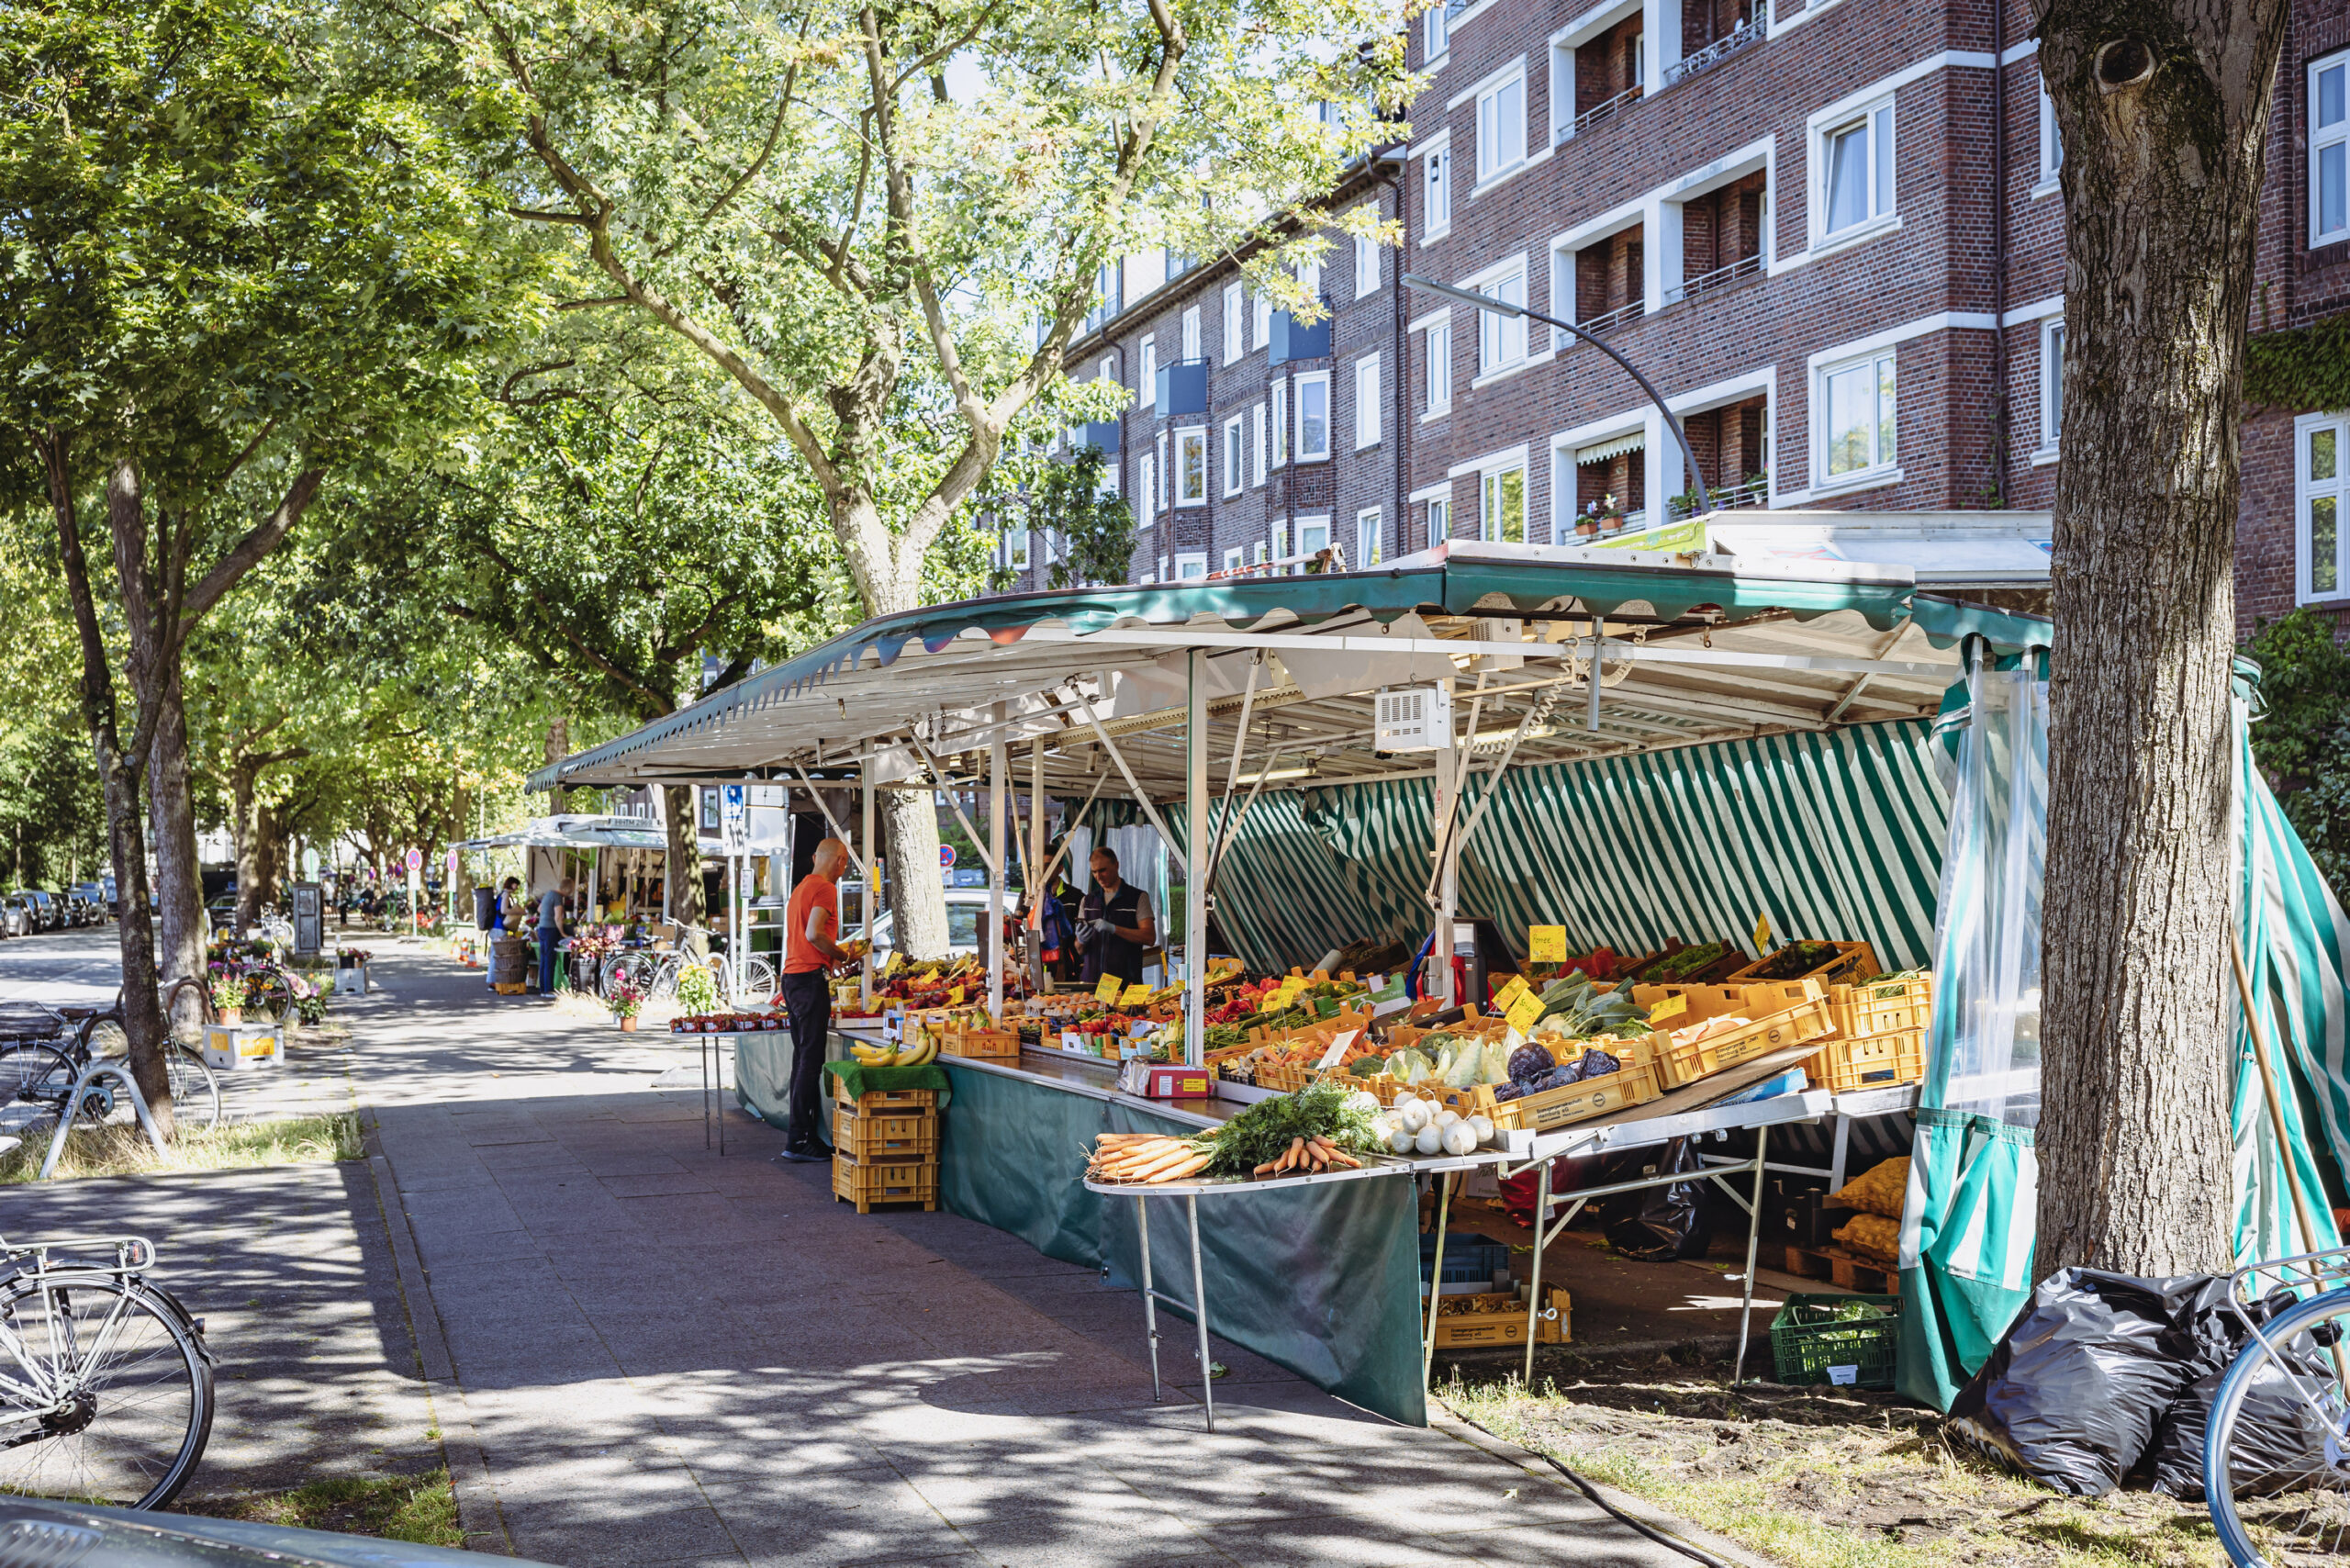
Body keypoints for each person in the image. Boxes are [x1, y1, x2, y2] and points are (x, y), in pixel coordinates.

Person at [776, 839, 851, 1164]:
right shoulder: (825, 889)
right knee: (810, 1060)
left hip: (793, 978)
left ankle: (799, 1133)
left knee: (802, 1059)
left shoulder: (801, 888)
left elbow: (804, 936)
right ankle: (800, 1138)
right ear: (841, 862)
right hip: (808, 980)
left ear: (813, 857)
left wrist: (829, 956)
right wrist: (841, 953)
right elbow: (813, 933)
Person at [1077, 846, 1155, 990]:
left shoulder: (1137, 898)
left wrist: (1114, 929)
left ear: (1116, 865)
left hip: (1126, 984)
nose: (1098, 876)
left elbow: (1149, 937)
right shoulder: (1087, 901)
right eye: (1094, 872)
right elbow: (1079, 949)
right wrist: (1081, 940)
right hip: (1091, 985)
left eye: (1103, 870)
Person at [536, 882, 571, 994]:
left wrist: (546, 915)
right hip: (550, 930)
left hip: (541, 929)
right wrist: (562, 933)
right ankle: (548, 990)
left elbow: (539, 909)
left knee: (544, 960)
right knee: (550, 960)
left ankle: (543, 988)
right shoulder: (557, 897)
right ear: (566, 889)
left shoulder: (548, 894)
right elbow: (558, 917)